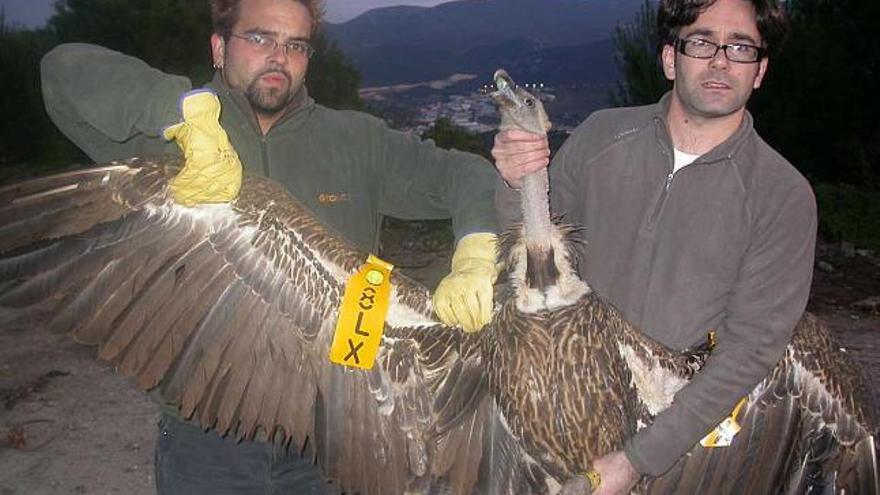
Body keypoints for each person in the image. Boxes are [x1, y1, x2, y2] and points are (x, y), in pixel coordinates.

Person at [40, 0, 498, 492]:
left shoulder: (356, 140)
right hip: (210, 430)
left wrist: (474, 249)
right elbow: (61, 71)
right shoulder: (167, 140)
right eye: (260, 38)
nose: (279, 57)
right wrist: (177, 114)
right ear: (219, 47)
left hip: (333, 431)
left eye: (295, 45)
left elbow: (466, 175)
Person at [493, 0, 816, 493]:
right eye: (703, 42)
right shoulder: (602, 135)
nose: (721, 60)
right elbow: (531, 259)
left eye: (741, 47)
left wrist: (639, 459)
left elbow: (748, 352)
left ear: (760, 71)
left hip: (675, 446)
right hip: (556, 412)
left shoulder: (782, 196)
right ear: (670, 59)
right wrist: (513, 180)